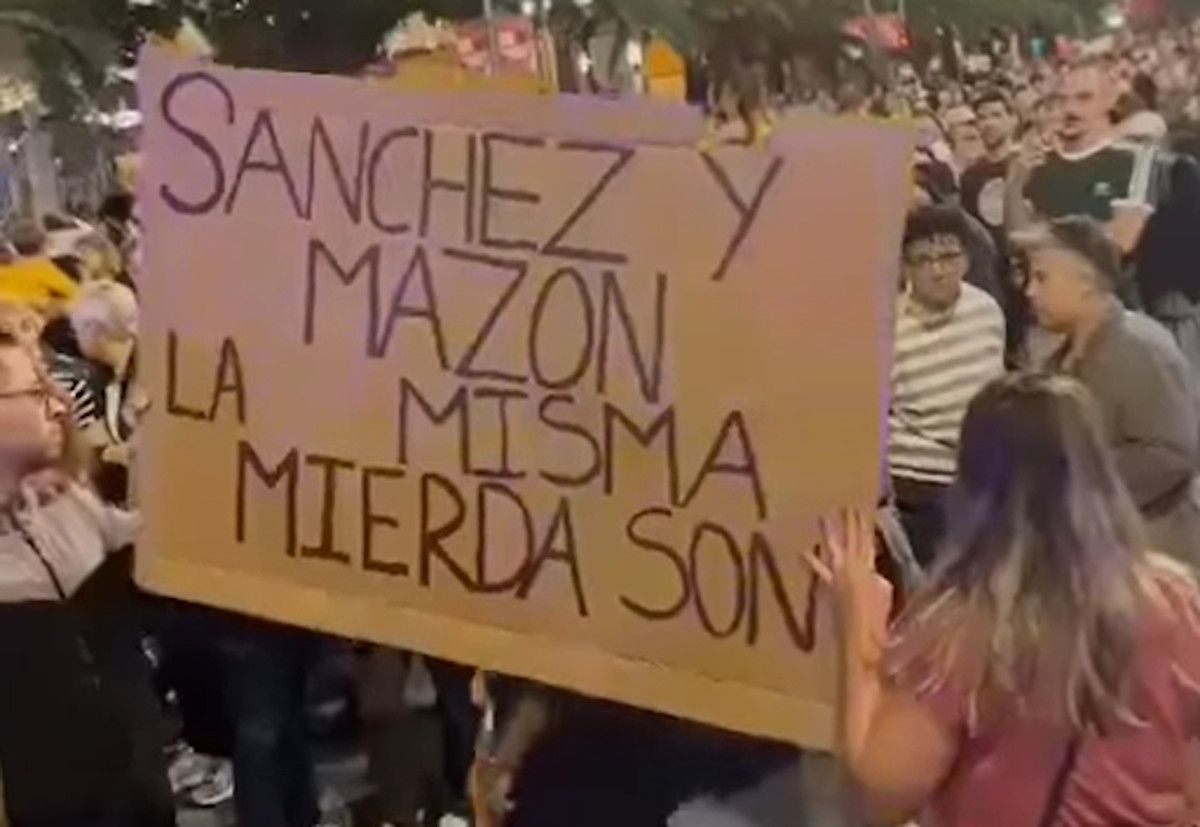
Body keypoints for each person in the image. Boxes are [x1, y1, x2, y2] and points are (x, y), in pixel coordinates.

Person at [808, 373, 1200, 825]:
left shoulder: (968, 629)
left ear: (974, 489)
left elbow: (879, 796)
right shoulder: (1178, 600)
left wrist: (858, 624)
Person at [0, 328, 175, 826]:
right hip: (51, 794)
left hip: (133, 772)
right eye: (34, 391)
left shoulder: (66, 490)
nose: (58, 404)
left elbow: (131, 542)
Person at [1021, 216, 1200, 567]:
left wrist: (1080, 486)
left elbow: (1173, 452)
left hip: (1150, 559)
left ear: (1086, 282)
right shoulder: (1059, 357)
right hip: (1097, 557)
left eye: (1042, 278)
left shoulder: (1139, 348)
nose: (1029, 290)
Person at [889, 206, 1006, 566]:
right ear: (906, 268)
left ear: (967, 260)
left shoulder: (986, 311)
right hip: (917, 487)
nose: (938, 270)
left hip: (982, 479)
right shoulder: (888, 326)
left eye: (948, 257)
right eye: (924, 260)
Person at [0, 220, 79, 317]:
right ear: (44, 245)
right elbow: (74, 293)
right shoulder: (40, 267)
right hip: (38, 321)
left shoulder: (4, 268)